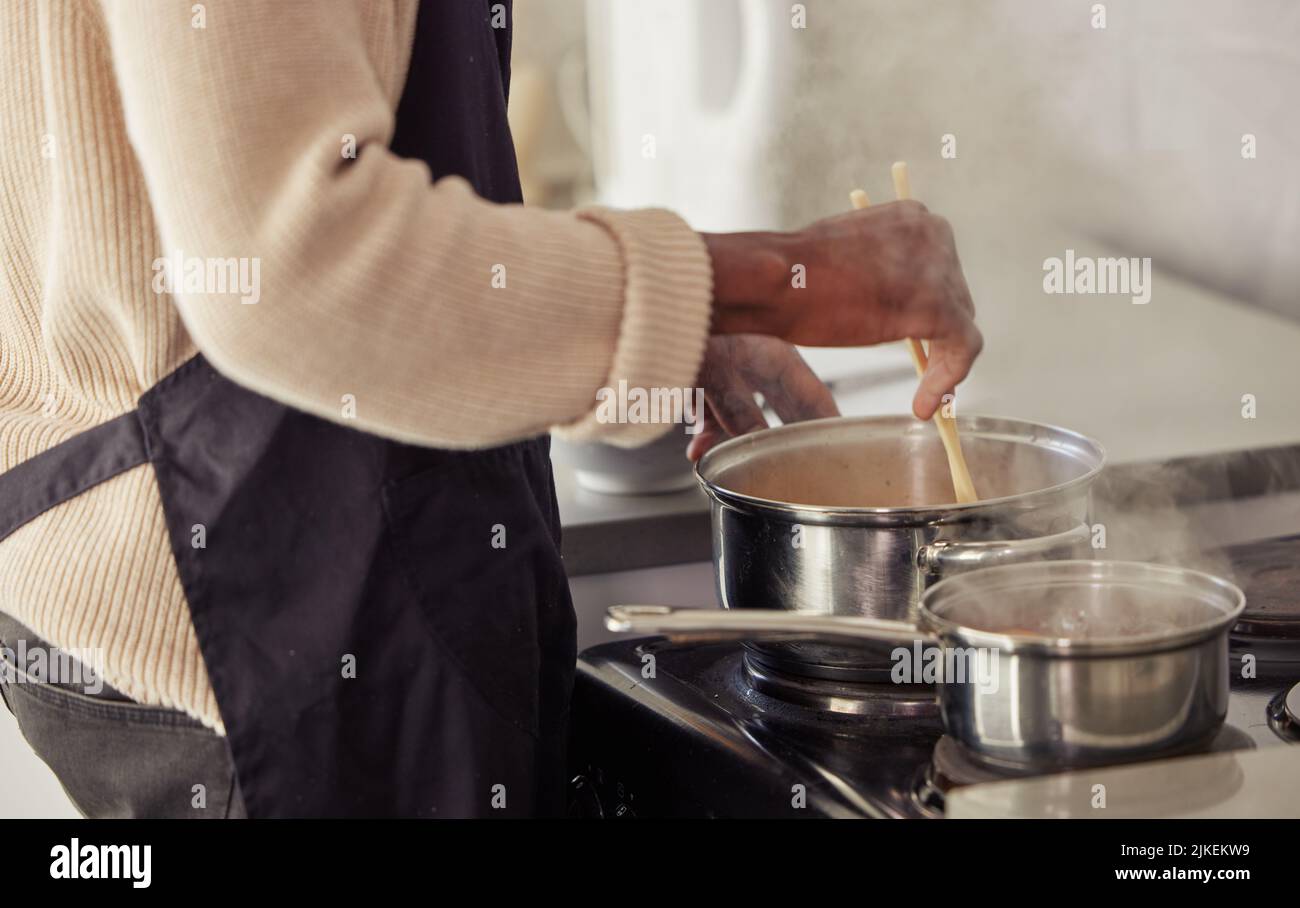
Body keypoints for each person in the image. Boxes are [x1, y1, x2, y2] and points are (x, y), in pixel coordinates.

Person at [0, 0, 979, 818]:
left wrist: (664, 319)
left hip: (266, 574)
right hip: (253, 627)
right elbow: (291, 265)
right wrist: (777, 277)